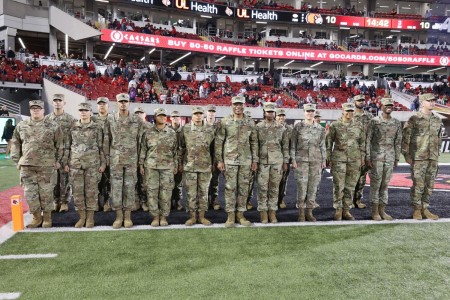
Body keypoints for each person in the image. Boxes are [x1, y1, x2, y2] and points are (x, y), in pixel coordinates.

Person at [11, 100, 63, 228]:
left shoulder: (53, 126)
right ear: (30, 110)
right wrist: (17, 160)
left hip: (47, 166)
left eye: (38, 108)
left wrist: (58, 161)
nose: (36, 110)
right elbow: (16, 143)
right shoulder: (22, 126)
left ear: (43, 110)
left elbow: (61, 145)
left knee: (46, 193)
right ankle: (36, 218)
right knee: (30, 193)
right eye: (33, 108)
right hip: (27, 166)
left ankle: (47, 218)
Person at [215, 96, 258, 227]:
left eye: (240, 104)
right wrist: (219, 160)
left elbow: (254, 142)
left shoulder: (250, 122)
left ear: (244, 105)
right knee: (230, 188)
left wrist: (255, 159)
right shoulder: (225, 121)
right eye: (235, 104)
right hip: (230, 161)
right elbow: (219, 141)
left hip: (246, 160)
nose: (238, 106)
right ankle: (230, 216)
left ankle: (241, 214)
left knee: (244, 188)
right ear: (231, 105)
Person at [105, 93, 145, 229]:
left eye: (125, 101)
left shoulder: (136, 120)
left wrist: (140, 161)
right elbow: (106, 140)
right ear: (116, 103)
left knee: (129, 188)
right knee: (116, 188)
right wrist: (106, 158)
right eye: (120, 101)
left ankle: (127, 217)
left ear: (129, 103)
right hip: (115, 160)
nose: (123, 104)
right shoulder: (110, 119)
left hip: (131, 160)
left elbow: (141, 140)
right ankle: (118, 217)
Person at [64, 103, 106, 228]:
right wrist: (65, 162)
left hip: (93, 165)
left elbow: (102, 147)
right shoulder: (72, 127)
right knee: (77, 192)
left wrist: (103, 163)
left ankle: (90, 218)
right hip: (75, 165)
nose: (83, 112)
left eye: (86, 110)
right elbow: (67, 146)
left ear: (90, 112)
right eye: (81, 110)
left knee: (91, 192)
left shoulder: (97, 128)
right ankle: (82, 217)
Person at [402, 93, 443, 220]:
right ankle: (416, 210)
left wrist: (437, 152)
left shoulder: (437, 120)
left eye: (433, 100)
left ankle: (425, 208)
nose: (432, 102)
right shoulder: (414, 118)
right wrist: (407, 155)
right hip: (418, 157)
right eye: (429, 100)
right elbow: (405, 138)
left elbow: (439, 138)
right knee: (418, 185)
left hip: (433, 157)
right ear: (422, 102)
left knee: (429, 185)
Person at [326, 103, 365, 221]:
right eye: (347, 111)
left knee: (350, 186)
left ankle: (346, 210)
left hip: (354, 160)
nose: (349, 113)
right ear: (342, 111)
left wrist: (362, 157)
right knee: (339, 186)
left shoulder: (359, 125)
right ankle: (338, 209)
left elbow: (362, 143)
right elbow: (328, 143)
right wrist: (329, 158)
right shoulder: (335, 125)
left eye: (351, 111)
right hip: (339, 160)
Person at [139, 108, 178, 227]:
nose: (162, 118)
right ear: (155, 117)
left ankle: (164, 217)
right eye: (160, 116)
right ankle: (155, 217)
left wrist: (175, 164)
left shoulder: (171, 133)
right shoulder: (148, 132)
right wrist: (141, 164)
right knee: (152, 192)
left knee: (166, 193)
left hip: (167, 167)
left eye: (164, 116)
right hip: (151, 167)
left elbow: (175, 151)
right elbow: (143, 149)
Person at [365, 97, 402, 221]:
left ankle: (382, 211)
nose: (389, 107)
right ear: (381, 106)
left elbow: (398, 141)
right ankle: (375, 211)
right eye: (386, 105)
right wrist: (368, 157)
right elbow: (368, 140)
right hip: (376, 157)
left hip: (390, 158)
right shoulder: (374, 121)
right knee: (376, 185)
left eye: (391, 105)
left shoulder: (396, 123)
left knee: (385, 185)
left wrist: (397, 158)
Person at [178, 106, 215, 226]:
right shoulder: (186, 128)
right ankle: (192, 217)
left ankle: (202, 216)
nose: (198, 116)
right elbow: (181, 147)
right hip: (189, 166)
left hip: (205, 166)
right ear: (192, 115)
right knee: (190, 193)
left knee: (203, 192)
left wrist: (214, 162)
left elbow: (214, 148)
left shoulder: (210, 129)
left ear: (203, 115)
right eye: (196, 113)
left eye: (200, 113)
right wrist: (179, 163)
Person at [290, 104, 326, 222]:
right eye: (307, 111)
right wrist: (293, 160)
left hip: (316, 161)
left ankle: (309, 212)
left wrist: (323, 160)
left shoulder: (320, 128)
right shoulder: (298, 127)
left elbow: (322, 146)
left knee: (312, 188)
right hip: (301, 162)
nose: (310, 113)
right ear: (304, 113)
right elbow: (293, 145)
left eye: (312, 111)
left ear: (314, 112)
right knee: (302, 187)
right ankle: (301, 212)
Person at [256, 103, 289, 223]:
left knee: (274, 188)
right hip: (262, 162)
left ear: (275, 113)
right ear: (264, 112)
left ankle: (272, 211)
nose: (270, 113)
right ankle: (263, 212)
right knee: (262, 188)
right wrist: (255, 160)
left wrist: (285, 161)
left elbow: (285, 146)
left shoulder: (281, 128)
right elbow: (255, 145)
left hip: (277, 162)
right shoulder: (258, 127)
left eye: (272, 112)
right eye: (268, 111)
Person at [45, 94, 76, 213]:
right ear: (52, 103)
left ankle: (64, 202)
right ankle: (55, 201)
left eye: (60, 101)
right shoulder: (47, 120)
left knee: (65, 179)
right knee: (52, 179)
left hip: (66, 153)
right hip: (51, 155)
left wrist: (69, 158)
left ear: (64, 103)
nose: (57, 103)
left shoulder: (71, 120)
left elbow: (74, 139)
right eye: (55, 101)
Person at [352, 94, 372, 209]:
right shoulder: (350, 115)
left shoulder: (369, 116)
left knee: (362, 178)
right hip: (353, 151)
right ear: (354, 102)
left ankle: (358, 200)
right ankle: (348, 201)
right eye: (358, 100)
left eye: (362, 100)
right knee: (351, 178)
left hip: (366, 151)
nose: (361, 102)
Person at [93, 97, 111, 212]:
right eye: (99, 104)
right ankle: (97, 201)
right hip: (96, 154)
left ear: (107, 106)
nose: (101, 106)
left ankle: (106, 202)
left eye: (104, 104)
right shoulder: (93, 119)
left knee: (108, 179)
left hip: (110, 153)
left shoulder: (112, 119)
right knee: (97, 179)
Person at [275, 109, 292, 209]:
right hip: (273, 159)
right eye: (279, 116)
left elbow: (292, 145)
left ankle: (280, 199)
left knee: (283, 181)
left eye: (283, 116)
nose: (281, 118)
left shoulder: (289, 129)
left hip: (285, 160)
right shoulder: (272, 127)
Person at [206, 104, 221, 211]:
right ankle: (205, 200)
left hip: (216, 157)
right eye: (209, 111)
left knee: (215, 180)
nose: (211, 114)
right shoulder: (201, 126)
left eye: (213, 112)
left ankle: (214, 199)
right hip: (204, 158)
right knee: (205, 181)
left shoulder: (219, 126)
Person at [134, 106, 149, 212]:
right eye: (137, 113)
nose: (139, 114)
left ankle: (144, 202)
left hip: (145, 159)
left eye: (141, 112)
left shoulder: (150, 127)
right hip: (132, 159)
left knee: (144, 183)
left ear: (145, 115)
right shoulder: (130, 126)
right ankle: (135, 201)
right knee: (133, 182)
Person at [169, 110, 183, 211]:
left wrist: (181, 162)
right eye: (173, 117)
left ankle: (177, 201)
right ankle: (169, 201)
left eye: (177, 117)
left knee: (178, 182)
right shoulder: (167, 129)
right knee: (168, 182)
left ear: (180, 118)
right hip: (169, 160)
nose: (175, 118)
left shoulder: (184, 130)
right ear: (170, 118)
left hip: (180, 159)